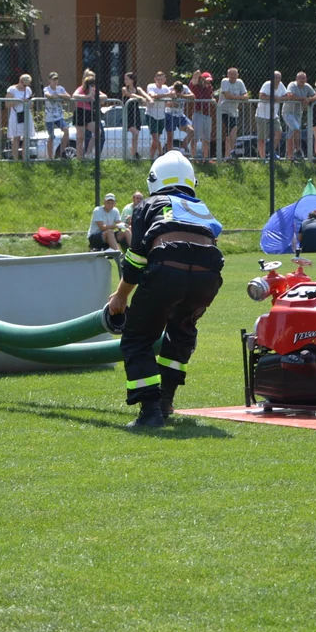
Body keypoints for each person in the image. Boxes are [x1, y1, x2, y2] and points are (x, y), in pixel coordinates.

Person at [107, 150, 224, 428]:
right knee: (181, 333)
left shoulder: (148, 205)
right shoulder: (201, 207)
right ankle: (165, 400)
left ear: (153, 180)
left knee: (138, 338)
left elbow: (136, 259)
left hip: (167, 272)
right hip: (207, 278)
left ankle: (150, 412)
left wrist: (121, 295)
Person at [283, 71, 316, 161]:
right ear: (296, 79)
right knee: (296, 129)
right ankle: (297, 149)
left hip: (298, 113)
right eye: (300, 78)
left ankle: (290, 155)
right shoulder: (292, 85)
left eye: (303, 78)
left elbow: (315, 95)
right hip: (288, 112)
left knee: (293, 132)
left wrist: (309, 99)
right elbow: (290, 95)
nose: (301, 80)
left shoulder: (307, 86)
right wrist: (303, 99)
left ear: (306, 79)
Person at [73, 73, 107, 160]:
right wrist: (87, 96)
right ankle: (79, 159)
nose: (93, 87)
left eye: (94, 85)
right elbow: (74, 95)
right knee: (80, 138)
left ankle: (88, 153)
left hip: (89, 113)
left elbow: (104, 96)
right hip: (80, 112)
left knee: (97, 132)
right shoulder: (81, 89)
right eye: (91, 85)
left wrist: (96, 96)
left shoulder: (94, 90)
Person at [257, 71, 287, 160]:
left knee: (279, 133)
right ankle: (263, 159)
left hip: (274, 115)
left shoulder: (281, 85)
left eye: (279, 78)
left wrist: (280, 98)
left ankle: (271, 152)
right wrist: (273, 97)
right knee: (262, 138)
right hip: (262, 115)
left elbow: (286, 96)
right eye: (275, 78)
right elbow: (261, 96)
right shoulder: (267, 84)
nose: (277, 80)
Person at [218, 68, 248, 159]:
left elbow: (246, 96)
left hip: (234, 111)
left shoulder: (240, 82)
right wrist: (239, 97)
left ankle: (228, 155)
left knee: (230, 134)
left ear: (238, 75)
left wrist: (235, 97)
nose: (233, 76)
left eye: (235, 74)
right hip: (224, 110)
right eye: (231, 74)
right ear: (227, 75)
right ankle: (231, 152)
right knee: (233, 129)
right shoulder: (225, 81)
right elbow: (227, 96)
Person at [121, 72, 148, 160]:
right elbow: (130, 95)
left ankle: (134, 154)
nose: (125, 81)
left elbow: (145, 95)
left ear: (132, 80)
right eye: (124, 79)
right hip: (128, 114)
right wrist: (140, 98)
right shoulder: (124, 89)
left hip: (136, 113)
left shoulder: (138, 89)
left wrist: (147, 99)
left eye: (127, 79)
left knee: (136, 135)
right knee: (135, 132)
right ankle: (134, 153)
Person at [43, 72, 71, 159]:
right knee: (51, 136)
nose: (55, 81)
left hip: (59, 116)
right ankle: (50, 158)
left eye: (56, 79)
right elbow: (49, 95)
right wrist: (60, 98)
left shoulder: (60, 88)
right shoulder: (46, 88)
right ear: (49, 80)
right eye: (53, 79)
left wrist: (59, 95)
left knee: (66, 131)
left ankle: (62, 152)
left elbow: (68, 96)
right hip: (49, 117)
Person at [5, 74, 33, 160]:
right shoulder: (12, 89)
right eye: (24, 85)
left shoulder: (28, 90)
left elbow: (32, 104)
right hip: (16, 115)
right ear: (20, 81)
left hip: (26, 114)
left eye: (27, 85)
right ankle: (15, 159)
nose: (25, 87)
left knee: (26, 137)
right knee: (16, 138)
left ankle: (25, 158)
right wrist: (20, 101)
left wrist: (29, 102)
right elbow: (7, 104)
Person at [188, 70, 215, 162]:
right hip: (198, 113)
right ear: (202, 79)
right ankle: (194, 158)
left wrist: (213, 99)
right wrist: (199, 75)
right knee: (195, 137)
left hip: (207, 115)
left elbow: (210, 97)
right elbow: (195, 75)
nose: (208, 82)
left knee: (206, 138)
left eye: (210, 81)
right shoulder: (195, 86)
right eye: (206, 80)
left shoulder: (209, 88)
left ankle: (205, 158)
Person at [146, 71, 172, 159]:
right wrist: (166, 96)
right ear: (155, 79)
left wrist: (166, 99)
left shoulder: (165, 88)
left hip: (161, 116)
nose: (160, 81)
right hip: (151, 115)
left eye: (162, 79)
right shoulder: (151, 86)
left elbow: (170, 101)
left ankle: (151, 158)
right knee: (156, 138)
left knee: (155, 140)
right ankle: (161, 155)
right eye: (158, 79)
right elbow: (153, 95)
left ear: (164, 80)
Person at [165, 80, 194, 154]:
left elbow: (192, 96)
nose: (178, 92)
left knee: (191, 131)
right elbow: (164, 103)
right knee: (170, 136)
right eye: (177, 90)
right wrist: (172, 103)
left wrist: (181, 95)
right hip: (170, 115)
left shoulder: (185, 88)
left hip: (180, 115)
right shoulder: (169, 89)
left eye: (180, 91)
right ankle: (169, 154)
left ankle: (182, 150)